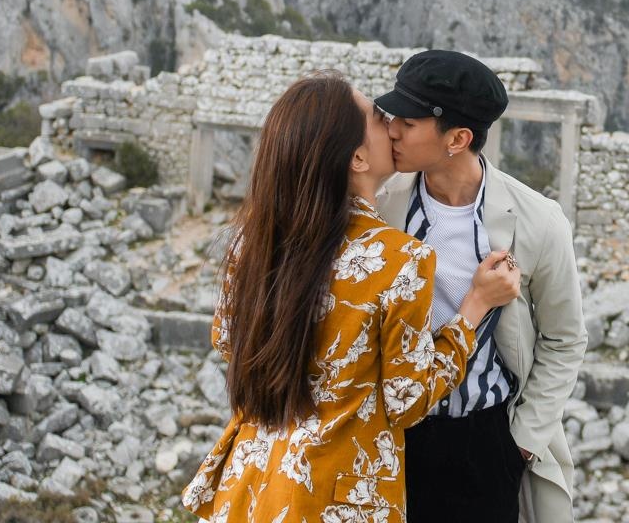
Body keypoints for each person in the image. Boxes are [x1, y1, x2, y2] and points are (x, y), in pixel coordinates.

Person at [181, 71, 521, 523]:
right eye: (379, 117)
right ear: (358, 157)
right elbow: (407, 400)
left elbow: (227, 340)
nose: (394, 124)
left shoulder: (252, 241)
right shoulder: (399, 258)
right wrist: (474, 308)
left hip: (251, 482)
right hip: (336, 496)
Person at [375, 50, 587, 523]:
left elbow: (565, 338)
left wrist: (523, 445)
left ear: (458, 138)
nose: (391, 130)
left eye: (407, 123)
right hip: (390, 437)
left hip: (486, 444)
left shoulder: (539, 220)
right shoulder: (381, 206)